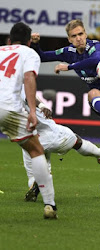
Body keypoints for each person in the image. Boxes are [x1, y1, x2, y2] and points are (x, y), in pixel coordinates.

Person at [30, 19, 100, 198]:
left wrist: (69, 67)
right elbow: (43, 56)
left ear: (86, 34)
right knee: (92, 93)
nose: (78, 39)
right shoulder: (68, 52)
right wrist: (36, 45)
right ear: (69, 39)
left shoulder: (96, 47)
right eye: (74, 36)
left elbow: (96, 60)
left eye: (81, 34)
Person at [0, 22, 57, 218]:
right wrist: (33, 110)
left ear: (9, 40)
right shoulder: (29, 53)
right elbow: (29, 78)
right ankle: (50, 205)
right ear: (28, 42)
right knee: (36, 150)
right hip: (8, 107)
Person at [22, 92, 100, 202]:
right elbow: (27, 96)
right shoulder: (17, 83)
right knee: (76, 140)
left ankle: (35, 186)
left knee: (34, 172)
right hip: (51, 135)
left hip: (28, 140)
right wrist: (41, 105)